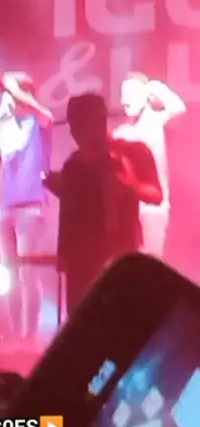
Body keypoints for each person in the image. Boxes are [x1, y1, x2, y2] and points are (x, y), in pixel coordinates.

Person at [45, 93, 163, 317]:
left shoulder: (131, 152)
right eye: (73, 126)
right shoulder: (73, 164)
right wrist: (63, 253)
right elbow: (69, 212)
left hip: (117, 257)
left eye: (81, 125)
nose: (75, 133)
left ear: (100, 122)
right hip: (79, 261)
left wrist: (129, 183)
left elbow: (156, 194)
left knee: (118, 321)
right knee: (81, 323)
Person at [0, 72, 53, 342]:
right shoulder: (5, 127)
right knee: (9, 275)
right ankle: (14, 334)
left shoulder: (38, 122)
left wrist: (11, 87)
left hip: (31, 207)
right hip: (6, 208)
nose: (7, 98)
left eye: (11, 93)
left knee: (27, 273)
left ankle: (29, 336)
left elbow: (44, 113)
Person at [113, 74, 186, 258]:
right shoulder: (121, 132)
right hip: (127, 209)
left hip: (154, 208)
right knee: (129, 261)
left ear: (146, 95)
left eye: (131, 94)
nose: (124, 100)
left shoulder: (159, 122)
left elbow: (179, 109)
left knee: (151, 261)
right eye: (122, 95)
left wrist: (156, 87)